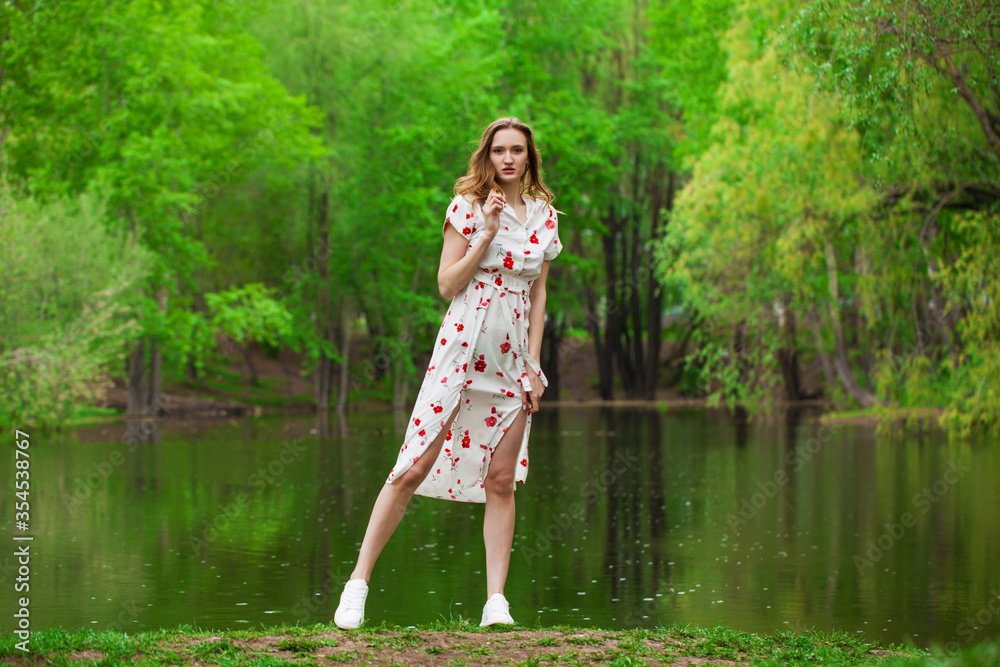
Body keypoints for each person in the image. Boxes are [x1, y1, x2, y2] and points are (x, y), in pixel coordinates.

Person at [334, 117, 564, 630]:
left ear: (529, 158)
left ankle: (495, 603)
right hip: (461, 350)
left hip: (510, 364)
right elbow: (446, 283)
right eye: (499, 150)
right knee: (412, 467)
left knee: (502, 480)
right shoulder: (465, 208)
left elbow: (539, 295)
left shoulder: (546, 217)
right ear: (487, 156)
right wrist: (484, 231)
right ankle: (357, 585)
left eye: (517, 151)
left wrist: (533, 364)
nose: (508, 159)